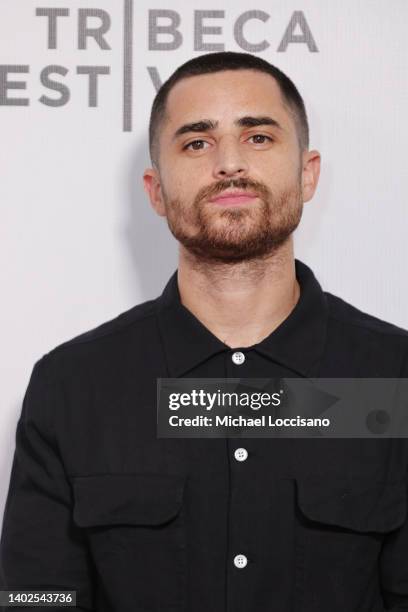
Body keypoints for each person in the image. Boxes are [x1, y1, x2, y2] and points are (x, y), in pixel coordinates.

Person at [1, 51, 408, 612]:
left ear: (307, 173)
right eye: (197, 142)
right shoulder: (72, 386)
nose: (230, 163)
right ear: (156, 191)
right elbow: (34, 600)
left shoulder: (394, 376)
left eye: (259, 137)